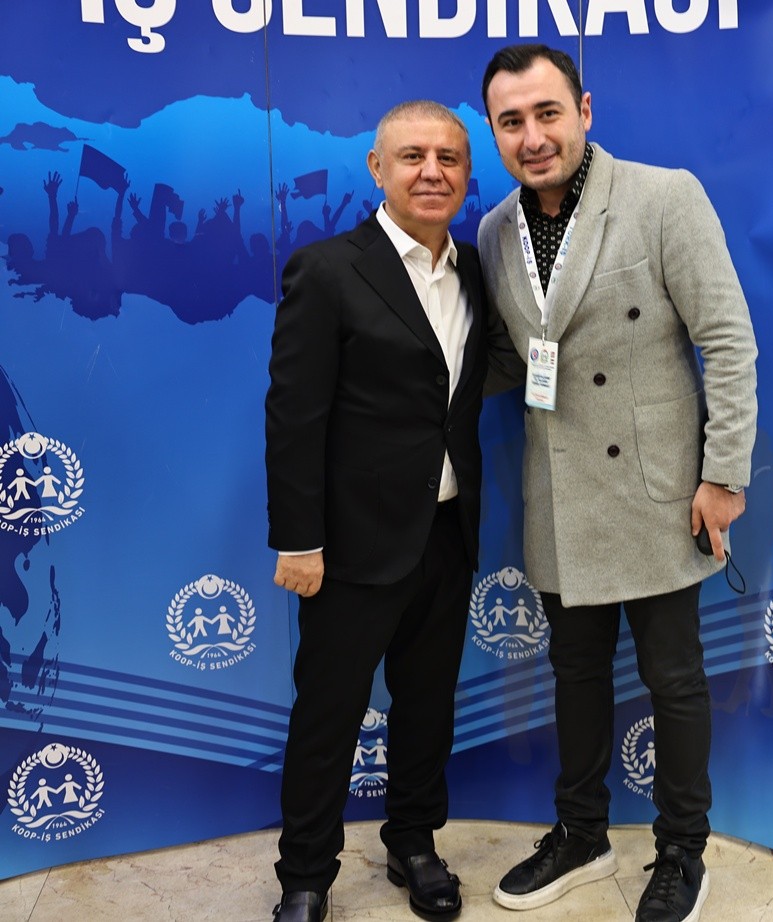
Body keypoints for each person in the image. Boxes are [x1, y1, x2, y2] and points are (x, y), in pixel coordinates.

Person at [477, 45, 758, 922]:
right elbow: (509, 359)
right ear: (495, 133)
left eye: (547, 113)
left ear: (584, 111)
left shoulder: (663, 196)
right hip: (561, 492)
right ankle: (581, 833)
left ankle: (682, 850)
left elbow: (728, 341)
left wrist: (723, 475)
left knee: (674, 678)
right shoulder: (492, 232)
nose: (533, 136)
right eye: (511, 122)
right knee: (575, 673)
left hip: (659, 491)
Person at [265, 99, 512, 922]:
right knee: (329, 714)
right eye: (412, 157)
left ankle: (414, 841)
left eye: (449, 158)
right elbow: (294, 416)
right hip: (349, 545)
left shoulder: (475, 272)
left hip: (446, 532)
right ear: (377, 169)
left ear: (467, 175)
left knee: (428, 706)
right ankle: (306, 876)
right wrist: (299, 539)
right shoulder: (327, 270)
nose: (432, 172)